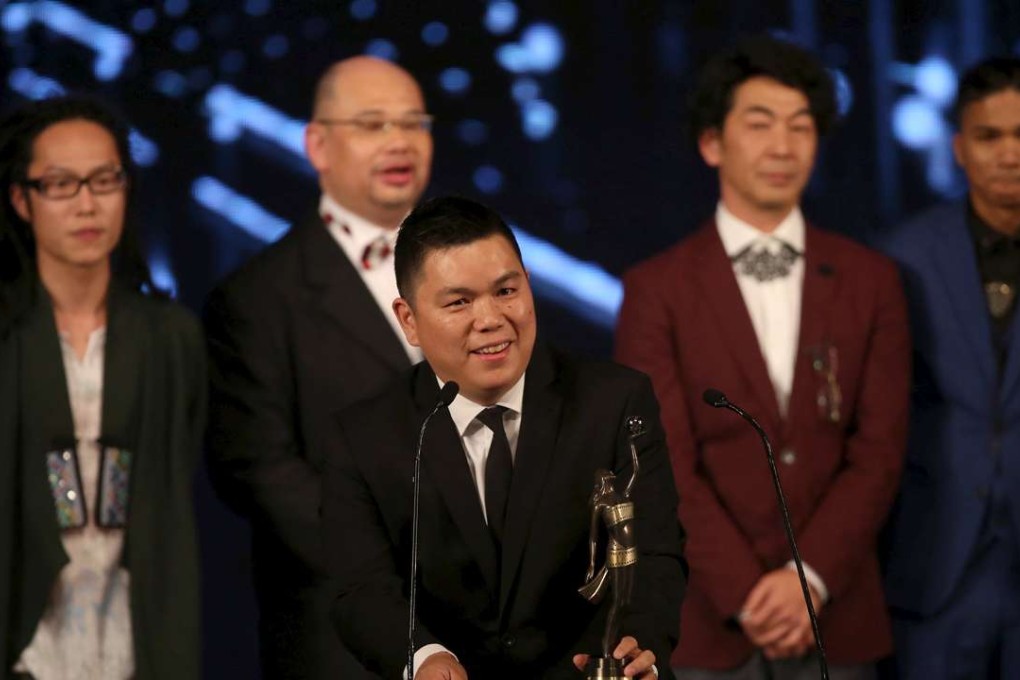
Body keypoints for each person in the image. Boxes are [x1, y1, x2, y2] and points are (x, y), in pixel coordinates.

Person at [614, 36, 910, 679]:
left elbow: (880, 451)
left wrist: (810, 578)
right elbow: (659, 464)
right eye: (760, 124)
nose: (783, 147)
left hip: (839, 617)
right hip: (710, 627)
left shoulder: (871, 279)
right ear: (712, 143)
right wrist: (751, 594)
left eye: (801, 127)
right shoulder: (655, 288)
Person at [321, 196, 686, 679]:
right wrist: (424, 657)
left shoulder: (616, 402)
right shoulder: (364, 436)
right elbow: (360, 589)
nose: (491, 319)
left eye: (506, 291)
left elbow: (655, 554)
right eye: (459, 302)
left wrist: (638, 644)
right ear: (409, 320)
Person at [203, 55, 432, 678]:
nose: (399, 141)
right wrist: (414, 562)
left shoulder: (480, 269)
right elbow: (261, 471)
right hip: (345, 639)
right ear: (317, 145)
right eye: (371, 124)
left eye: (414, 123)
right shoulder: (256, 298)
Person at [0, 96, 205, 679]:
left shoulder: (170, 336)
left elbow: (178, 465)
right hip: (26, 634)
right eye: (61, 185)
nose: (87, 204)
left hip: (136, 630)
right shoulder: (7, 335)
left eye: (104, 180)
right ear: (22, 199)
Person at [880, 56, 1020, 679]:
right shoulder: (903, 257)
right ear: (960, 148)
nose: (1010, 154)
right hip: (936, 562)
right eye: (990, 137)